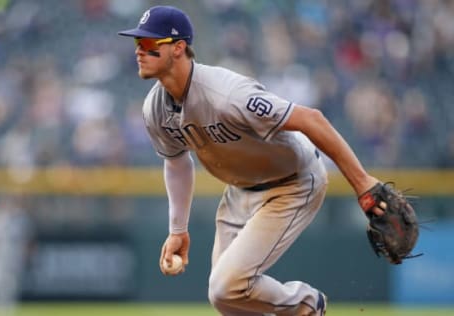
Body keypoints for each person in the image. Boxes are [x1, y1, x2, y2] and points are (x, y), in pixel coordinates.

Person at [118, 5, 383, 316]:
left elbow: (312, 120)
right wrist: (178, 229)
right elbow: (177, 162)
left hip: (292, 183)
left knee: (225, 286)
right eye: (138, 43)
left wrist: (363, 184)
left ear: (178, 48)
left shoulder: (228, 94)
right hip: (239, 193)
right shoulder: (155, 110)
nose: (140, 50)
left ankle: (309, 305)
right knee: (227, 299)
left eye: (150, 44)